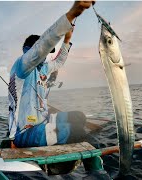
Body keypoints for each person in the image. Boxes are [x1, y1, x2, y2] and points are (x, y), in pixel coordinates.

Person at [8, 1, 95, 148]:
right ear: (28, 50)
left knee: (79, 117)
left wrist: (67, 40)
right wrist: (71, 14)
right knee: (77, 132)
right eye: (45, 52)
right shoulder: (21, 67)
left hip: (44, 120)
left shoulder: (43, 69)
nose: (46, 55)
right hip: (24, 132)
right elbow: (41, 48)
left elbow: (59, 62)